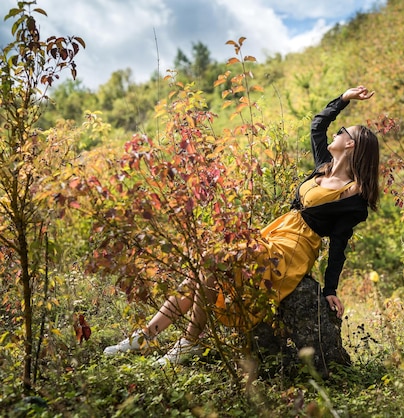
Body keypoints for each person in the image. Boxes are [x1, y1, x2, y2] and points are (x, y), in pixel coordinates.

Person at [103, 85, 380, 365]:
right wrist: (344, 98)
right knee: (204, 266)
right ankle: (145, 337)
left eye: (343, 130)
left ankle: (187, 342)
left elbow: (339, 244)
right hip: (274, 233)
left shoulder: (352, 195)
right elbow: (318, 125)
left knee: (212, 261)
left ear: (350, 143)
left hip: (292, 251)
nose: (337, 132)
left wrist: (330, 289)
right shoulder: (323, 167)